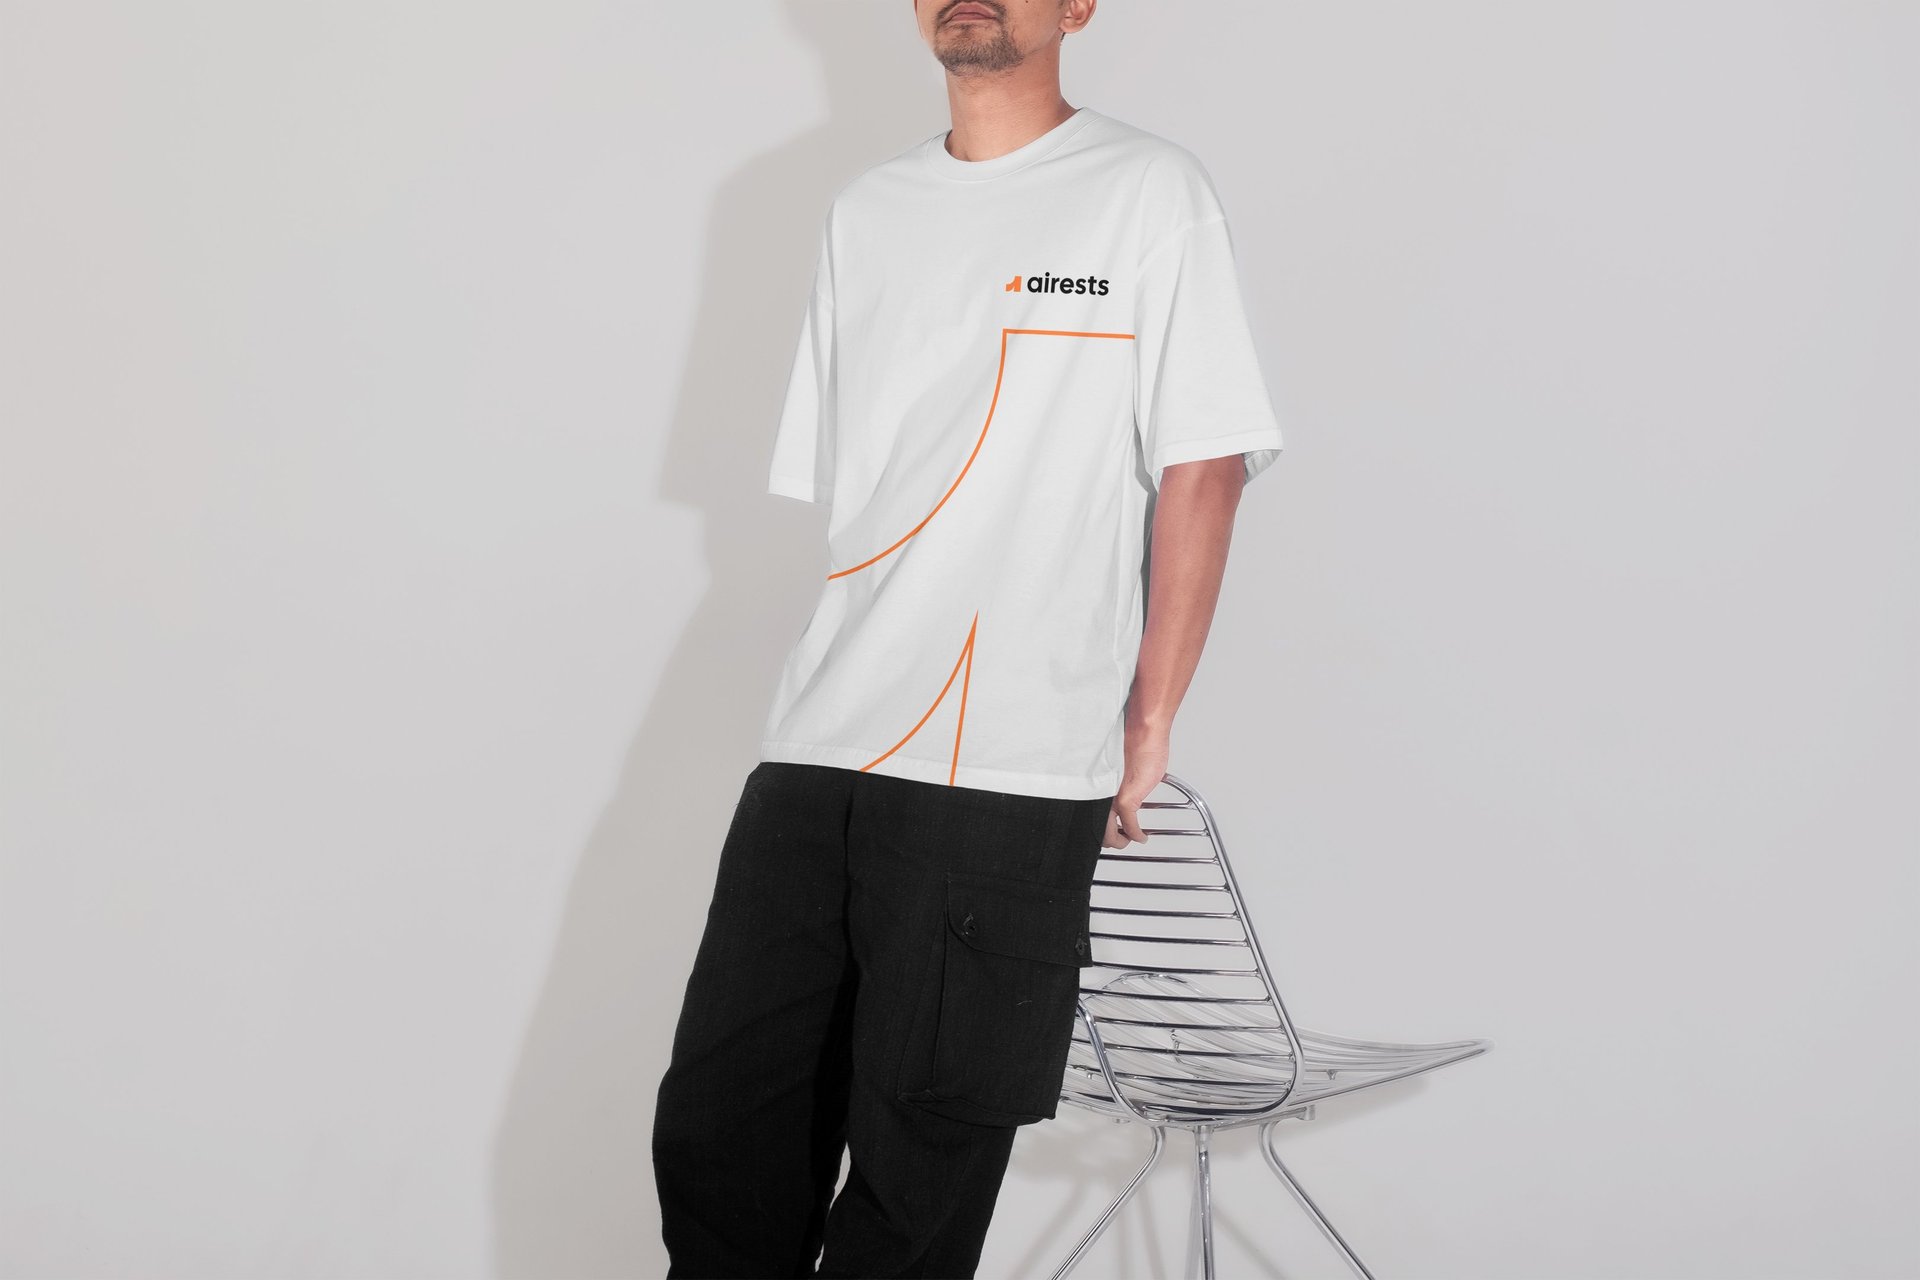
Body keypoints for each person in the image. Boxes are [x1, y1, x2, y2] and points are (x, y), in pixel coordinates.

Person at [651, 1, 1285, 1274]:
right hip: (820, 744)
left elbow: (1206, 461)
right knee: (721, 1131)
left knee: (918, 1172)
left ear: (1080, 6)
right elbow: (865, 494)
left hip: (1005, 764)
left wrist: (1148, 718)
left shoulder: (1149, 193)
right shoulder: (867, 211)